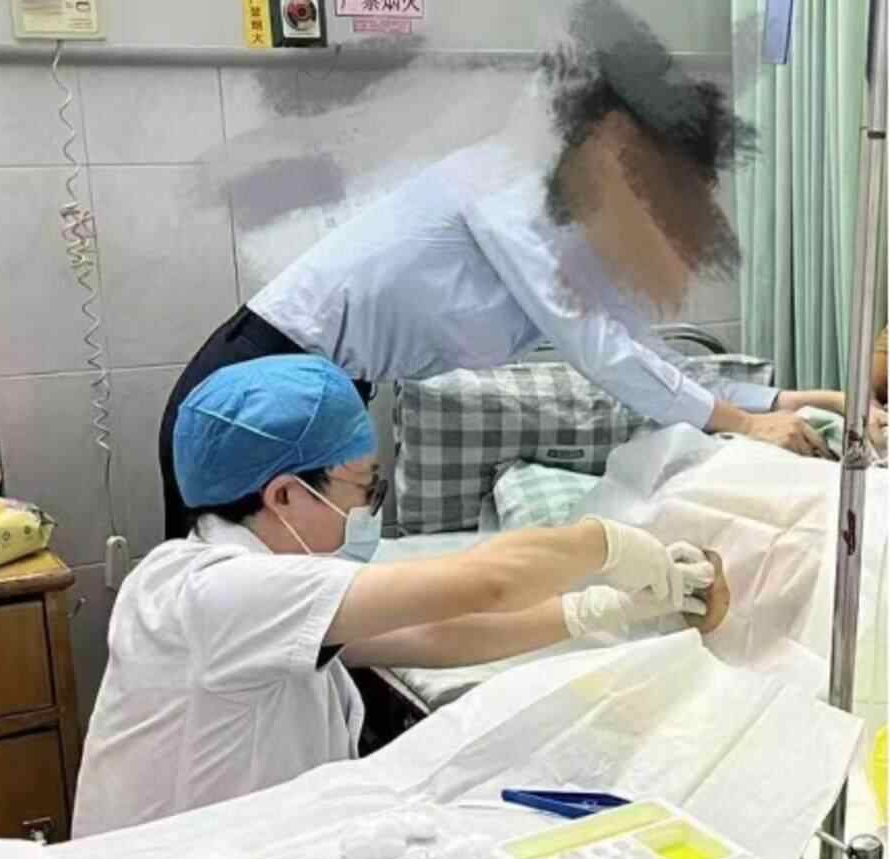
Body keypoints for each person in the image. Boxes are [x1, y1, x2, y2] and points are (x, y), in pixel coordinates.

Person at [158, 2, 842, 540]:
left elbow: (641, 350)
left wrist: (785, 402)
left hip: (319, 388)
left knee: (294, 607)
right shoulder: (510, 186)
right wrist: (740, 423)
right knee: (231, 604)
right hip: (255, 384)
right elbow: (598, 350)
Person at [74, 356, 713, 837]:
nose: (370, 509)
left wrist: (601, 610)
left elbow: (434, 633)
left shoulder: (239, 584)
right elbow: (487, 581)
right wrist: (609, 543)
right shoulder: (220, 591)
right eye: (364, 488)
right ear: (286, 495)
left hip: (222, 858)